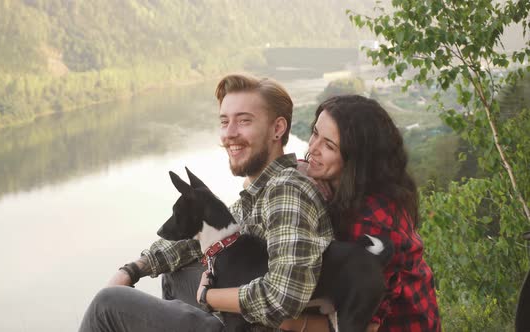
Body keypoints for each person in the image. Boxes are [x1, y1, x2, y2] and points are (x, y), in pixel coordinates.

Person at [78, 74, 335, 332]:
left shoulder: (286, 189)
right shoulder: (260, 192)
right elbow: (197, 240)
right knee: (175, 274)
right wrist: (133, 269)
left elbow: (283, 297)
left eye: (244, 121)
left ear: (277, 129)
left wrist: (207, 297)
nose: (230, 133)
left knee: (107, 304)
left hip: (256, 327)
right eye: (225, 122)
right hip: (242, 319)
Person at [284, 95, 441, 331]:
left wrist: (283, 321)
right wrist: (300, 169)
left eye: (329, 145)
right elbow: (253, 183)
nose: (312, 148)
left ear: (356, 159)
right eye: (315, 133)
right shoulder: (338, 184)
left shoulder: (374, 219)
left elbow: (361, 324)